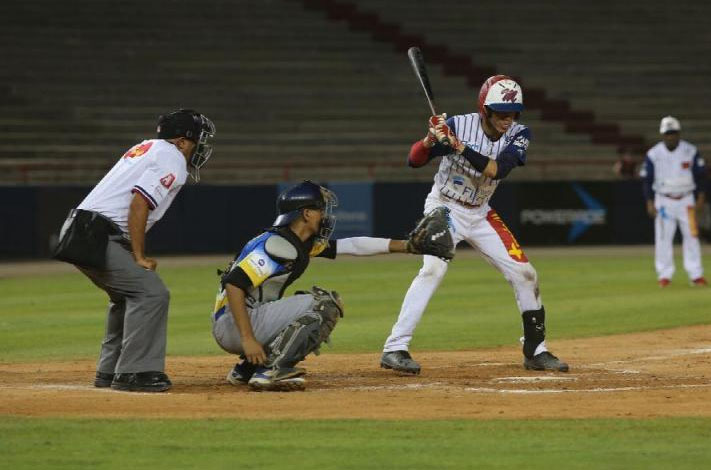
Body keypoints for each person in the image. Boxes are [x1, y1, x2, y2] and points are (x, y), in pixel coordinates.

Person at [379, 75, 569, 375]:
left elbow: (497, 170)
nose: (508, 119)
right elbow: (413, 161)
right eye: (501, 113)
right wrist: (430, 140)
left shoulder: (520, 133)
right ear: (485, 109)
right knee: (433, 269)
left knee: (525, 274)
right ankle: (395, 348)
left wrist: (459, 148)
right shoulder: (457, 125)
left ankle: (535, 350)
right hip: (445, 206)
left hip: (480, 212)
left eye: (513, 113)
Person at [211, 180, 440, 392]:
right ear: (306, 214)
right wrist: (247, 339)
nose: (325, 215)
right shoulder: (277, 245)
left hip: (240, 321)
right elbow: (234, 284)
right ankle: (272, 371)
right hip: (235, 324)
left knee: (301, 310)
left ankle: (247, 369)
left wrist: (407, 246)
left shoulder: (296, 242)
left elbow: (353, 246)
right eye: (320, 209)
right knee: (324, 305)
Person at [53, 109, 216, 392]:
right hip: (96, 233)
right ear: (181, 141)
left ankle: (110, 371)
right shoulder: (172, 157)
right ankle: (135, 373)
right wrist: (139, 256)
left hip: (81, 229)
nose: (200, 146)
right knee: (151, 293)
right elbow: (140, 203)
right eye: (198, 139)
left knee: (125, 296)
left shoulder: (148, 147)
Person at [640, 116, 708, 287]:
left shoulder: (690, 151)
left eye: (673, 133)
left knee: (692, 236)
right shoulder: (654, 154)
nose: (670, 137)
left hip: (687, 200)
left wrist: (701, 197)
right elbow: (647, 180)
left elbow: (701, 176)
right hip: (664, 200)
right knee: (663, 238)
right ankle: (664, 275)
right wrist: (649, 202)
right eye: (667, 133)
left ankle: (696, 274)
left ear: (679, 133)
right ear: (663, 135)